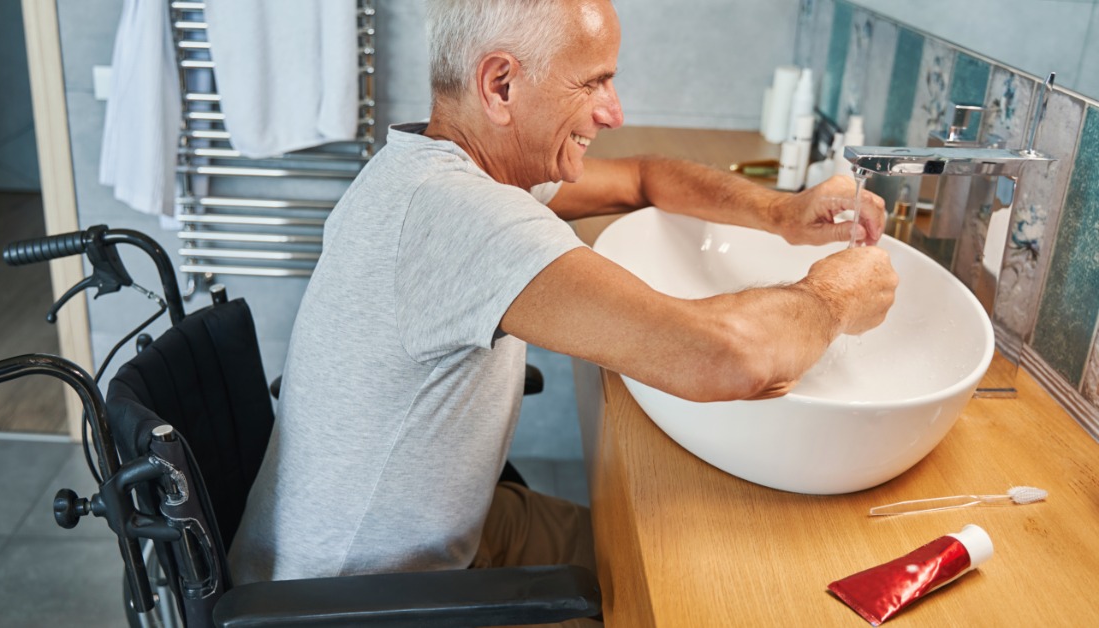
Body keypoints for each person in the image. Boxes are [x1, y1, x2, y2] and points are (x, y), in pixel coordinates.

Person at [229, 0, 897, 601]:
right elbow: (724, 357)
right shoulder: (463, 217)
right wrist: (836, 294)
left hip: (411, 545)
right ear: (501, 85)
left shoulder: (435, 165)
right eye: (593, 82)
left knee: (663, 553)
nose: (614, 112)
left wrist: (782, 211)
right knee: (682, 586)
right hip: (355, 602)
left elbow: (642, 178)